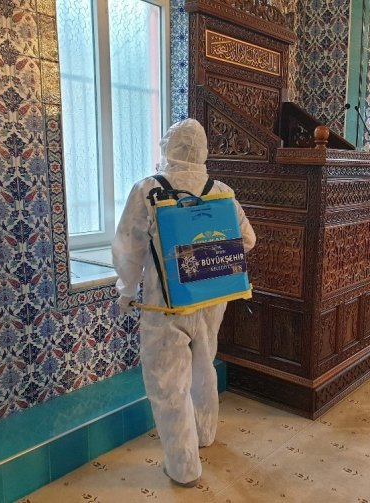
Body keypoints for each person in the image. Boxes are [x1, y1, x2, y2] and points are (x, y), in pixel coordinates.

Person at [111, 119, 256, 487]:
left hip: (164, 305)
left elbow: (129, 247)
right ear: (203, 151)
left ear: (167, 147)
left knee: (167, 383)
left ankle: (183, 467)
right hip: (210, 297)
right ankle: (205, 434)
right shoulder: (221, 191)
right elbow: (247, 240)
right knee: (203, 368)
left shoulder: (148, 190)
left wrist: (126, 290)